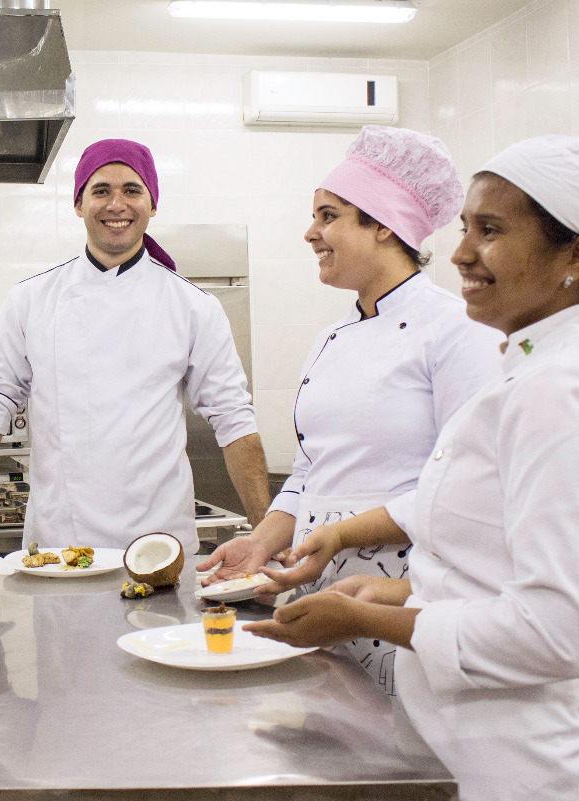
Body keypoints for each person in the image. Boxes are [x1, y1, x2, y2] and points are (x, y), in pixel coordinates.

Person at [247, 135, 579, 801]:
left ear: (578, 255)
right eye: (466, 227)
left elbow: (553, 632)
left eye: (491, 230)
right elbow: (494, 569)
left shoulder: (564, 389)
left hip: (532, 761)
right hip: (478, 738)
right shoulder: (531, 368)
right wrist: (384, 593)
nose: (462, 252)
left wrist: (365, 618)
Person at [198, 126, 502, 695]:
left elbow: (467, 484)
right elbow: (313, 469)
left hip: (406, 591)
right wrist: (264, 540)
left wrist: (337, 536)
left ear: (384, 223)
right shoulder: (332, 337)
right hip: (322, 590)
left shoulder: (457, 330)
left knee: (404, 748)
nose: (311, 232)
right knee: (335, 743)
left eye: (328, 215)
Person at [0, 138, 270, 555]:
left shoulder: (194, 307)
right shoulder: (31, 301)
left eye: (132, 190)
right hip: (59, 546)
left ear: (152, 204)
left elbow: (235, 421)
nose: (117, 204)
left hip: (160, 546)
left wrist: (264, 533)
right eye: (101, 191)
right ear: (79, 204)